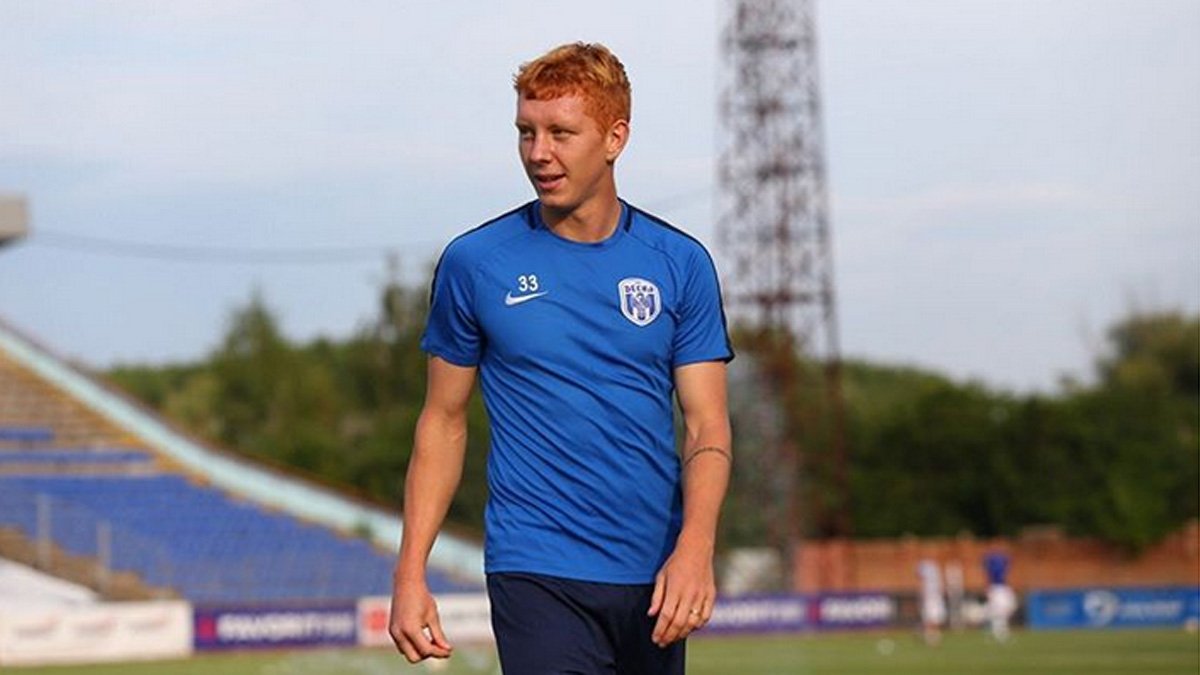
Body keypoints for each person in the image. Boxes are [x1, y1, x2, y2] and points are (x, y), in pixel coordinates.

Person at [388, 42, 734, 675]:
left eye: (560, 133)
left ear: (615, 137)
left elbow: (706, 424)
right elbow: (442, 419)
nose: (538, 153)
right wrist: (410, 573)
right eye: (526, 132)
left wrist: (695, 546)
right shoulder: (475, 264)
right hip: (535, 566)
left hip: (654, 574)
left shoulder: (680, 265)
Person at [983, 549, 1016, 642]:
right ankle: (998, 632)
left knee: (1006, 609)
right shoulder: (991, 567)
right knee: (998, 612)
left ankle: (998, 630)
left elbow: (1008, 561)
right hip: (996, 588)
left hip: (1002, 588)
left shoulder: (1000, 567)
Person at [917, 558, 946, 646]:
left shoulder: (934, 569)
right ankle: (930, 638)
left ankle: (932, 636)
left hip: (935, 596)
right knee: (930, 618)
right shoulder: (929, 568)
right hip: (929, 596)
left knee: (936, 619)